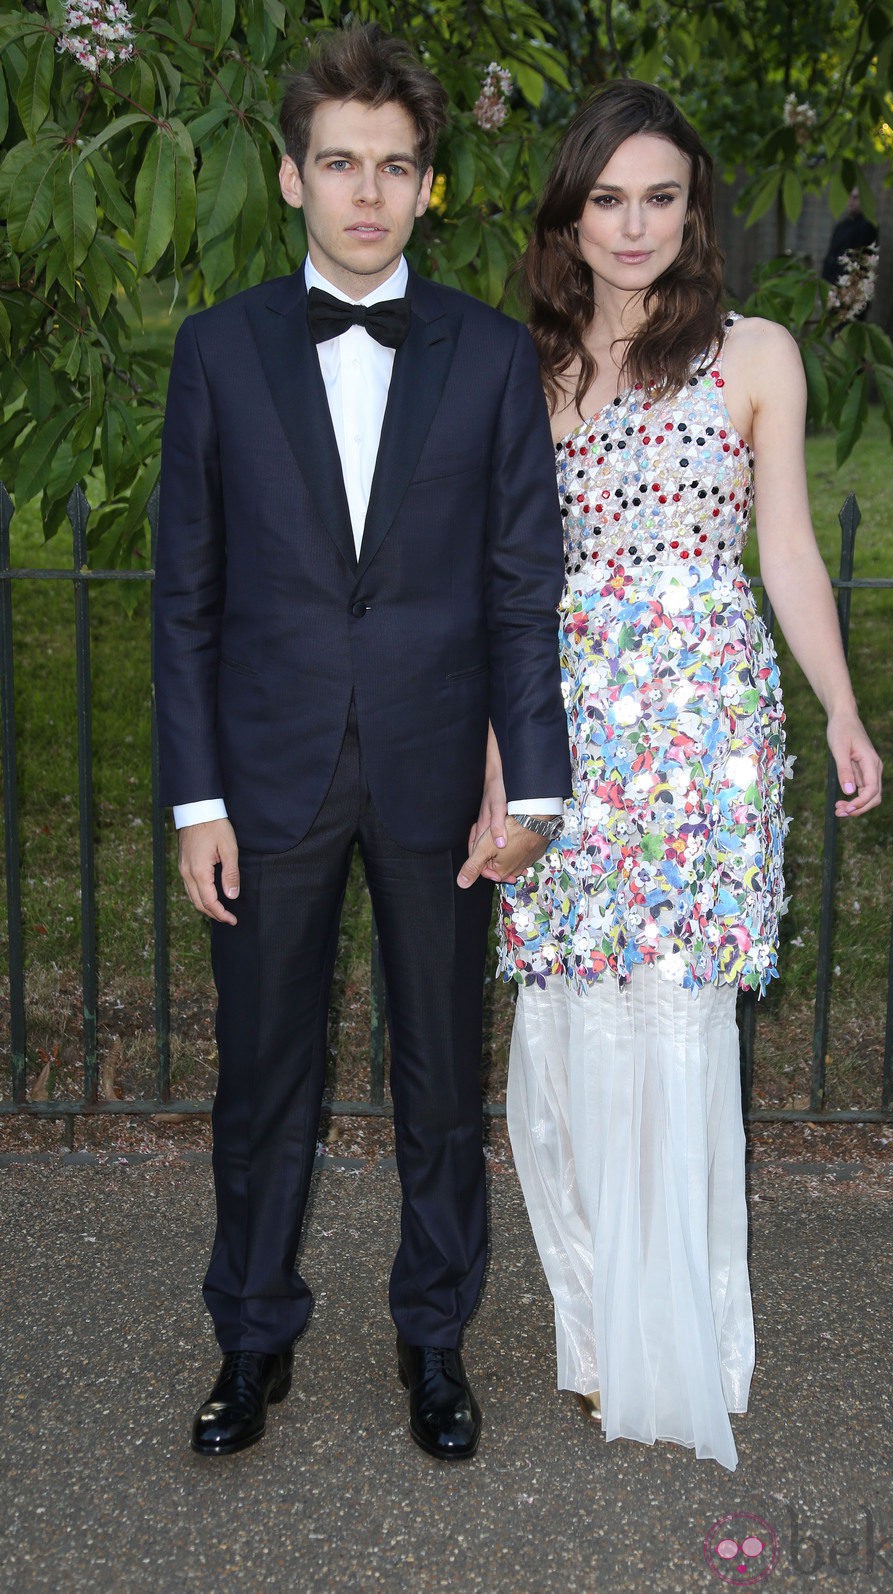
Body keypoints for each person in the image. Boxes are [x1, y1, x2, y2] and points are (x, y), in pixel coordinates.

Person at [153, 22, 571, 1463]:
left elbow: (524, 585)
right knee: (265, 1078)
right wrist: (195, 796)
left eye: (396, 167)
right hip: (263, 782)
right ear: (291, 178)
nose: (368, 193)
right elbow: (186, 594)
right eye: (340, 164)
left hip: (435, 774)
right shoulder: (215, 355)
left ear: (428, 187)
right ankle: (251, 1334)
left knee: (441, 1081)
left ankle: (433, 1337)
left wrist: (538, 781)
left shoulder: (489, 357)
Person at [463, 82, 882, 1471]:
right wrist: (495, 773)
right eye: (606, 197)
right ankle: (594, 1337)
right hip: (564, 735)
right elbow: (505, 594)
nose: (634, 224)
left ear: (693, 205)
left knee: (679, 1034)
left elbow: (790, 550)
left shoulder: (756, 354)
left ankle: (688, 1337)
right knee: (571, 1039)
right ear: (568, 212)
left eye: (660, 194)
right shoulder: (520, 368)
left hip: (705, 734)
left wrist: (838, 707)